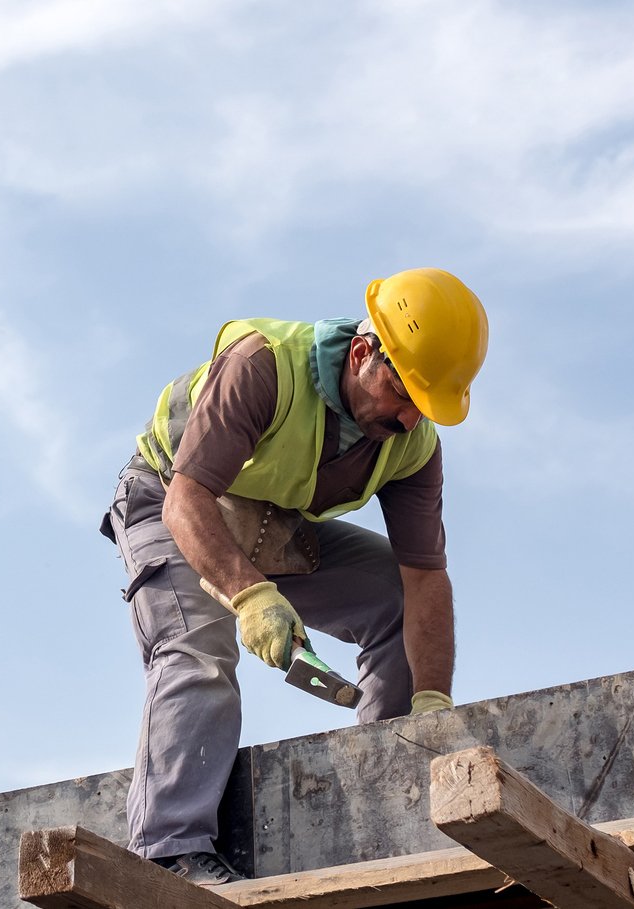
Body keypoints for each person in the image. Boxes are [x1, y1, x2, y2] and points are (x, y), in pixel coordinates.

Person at [99, 267, 488, 885]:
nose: (412, 418)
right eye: (405, 393)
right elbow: (187, 501)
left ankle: (395, 794)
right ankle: (171, 853)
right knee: (198, 649)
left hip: (269, 521)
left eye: (426, 405)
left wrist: (432, 704)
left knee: (390, 596)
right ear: (363, 353)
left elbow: (424, 581)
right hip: (168, 498)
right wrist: (250, 595)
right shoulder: (264, 366)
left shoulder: (412, 446)